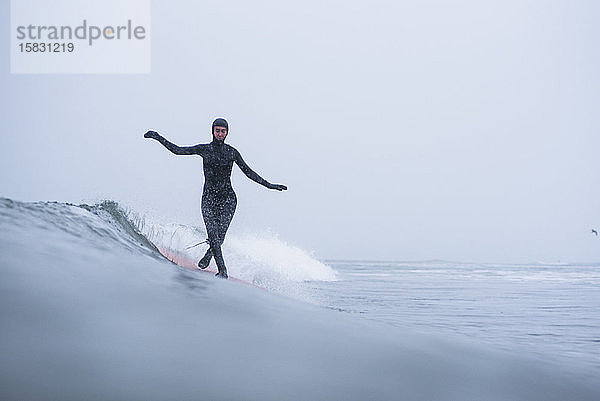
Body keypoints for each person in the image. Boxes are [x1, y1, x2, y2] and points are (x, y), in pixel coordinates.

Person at [144, 118, 287, 278]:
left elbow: (249, 172)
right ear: (213, 131)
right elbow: (177, 150)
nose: (220, 133)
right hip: (209, 199)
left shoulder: (232, 152)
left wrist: (269, 185)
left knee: (219, 237)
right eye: (217, 130)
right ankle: (223, 270)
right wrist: (157, 137)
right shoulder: (204, 149)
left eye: (223, 131)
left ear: (227, 132)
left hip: (228, 200)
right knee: (213, 234)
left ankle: (210, 254)